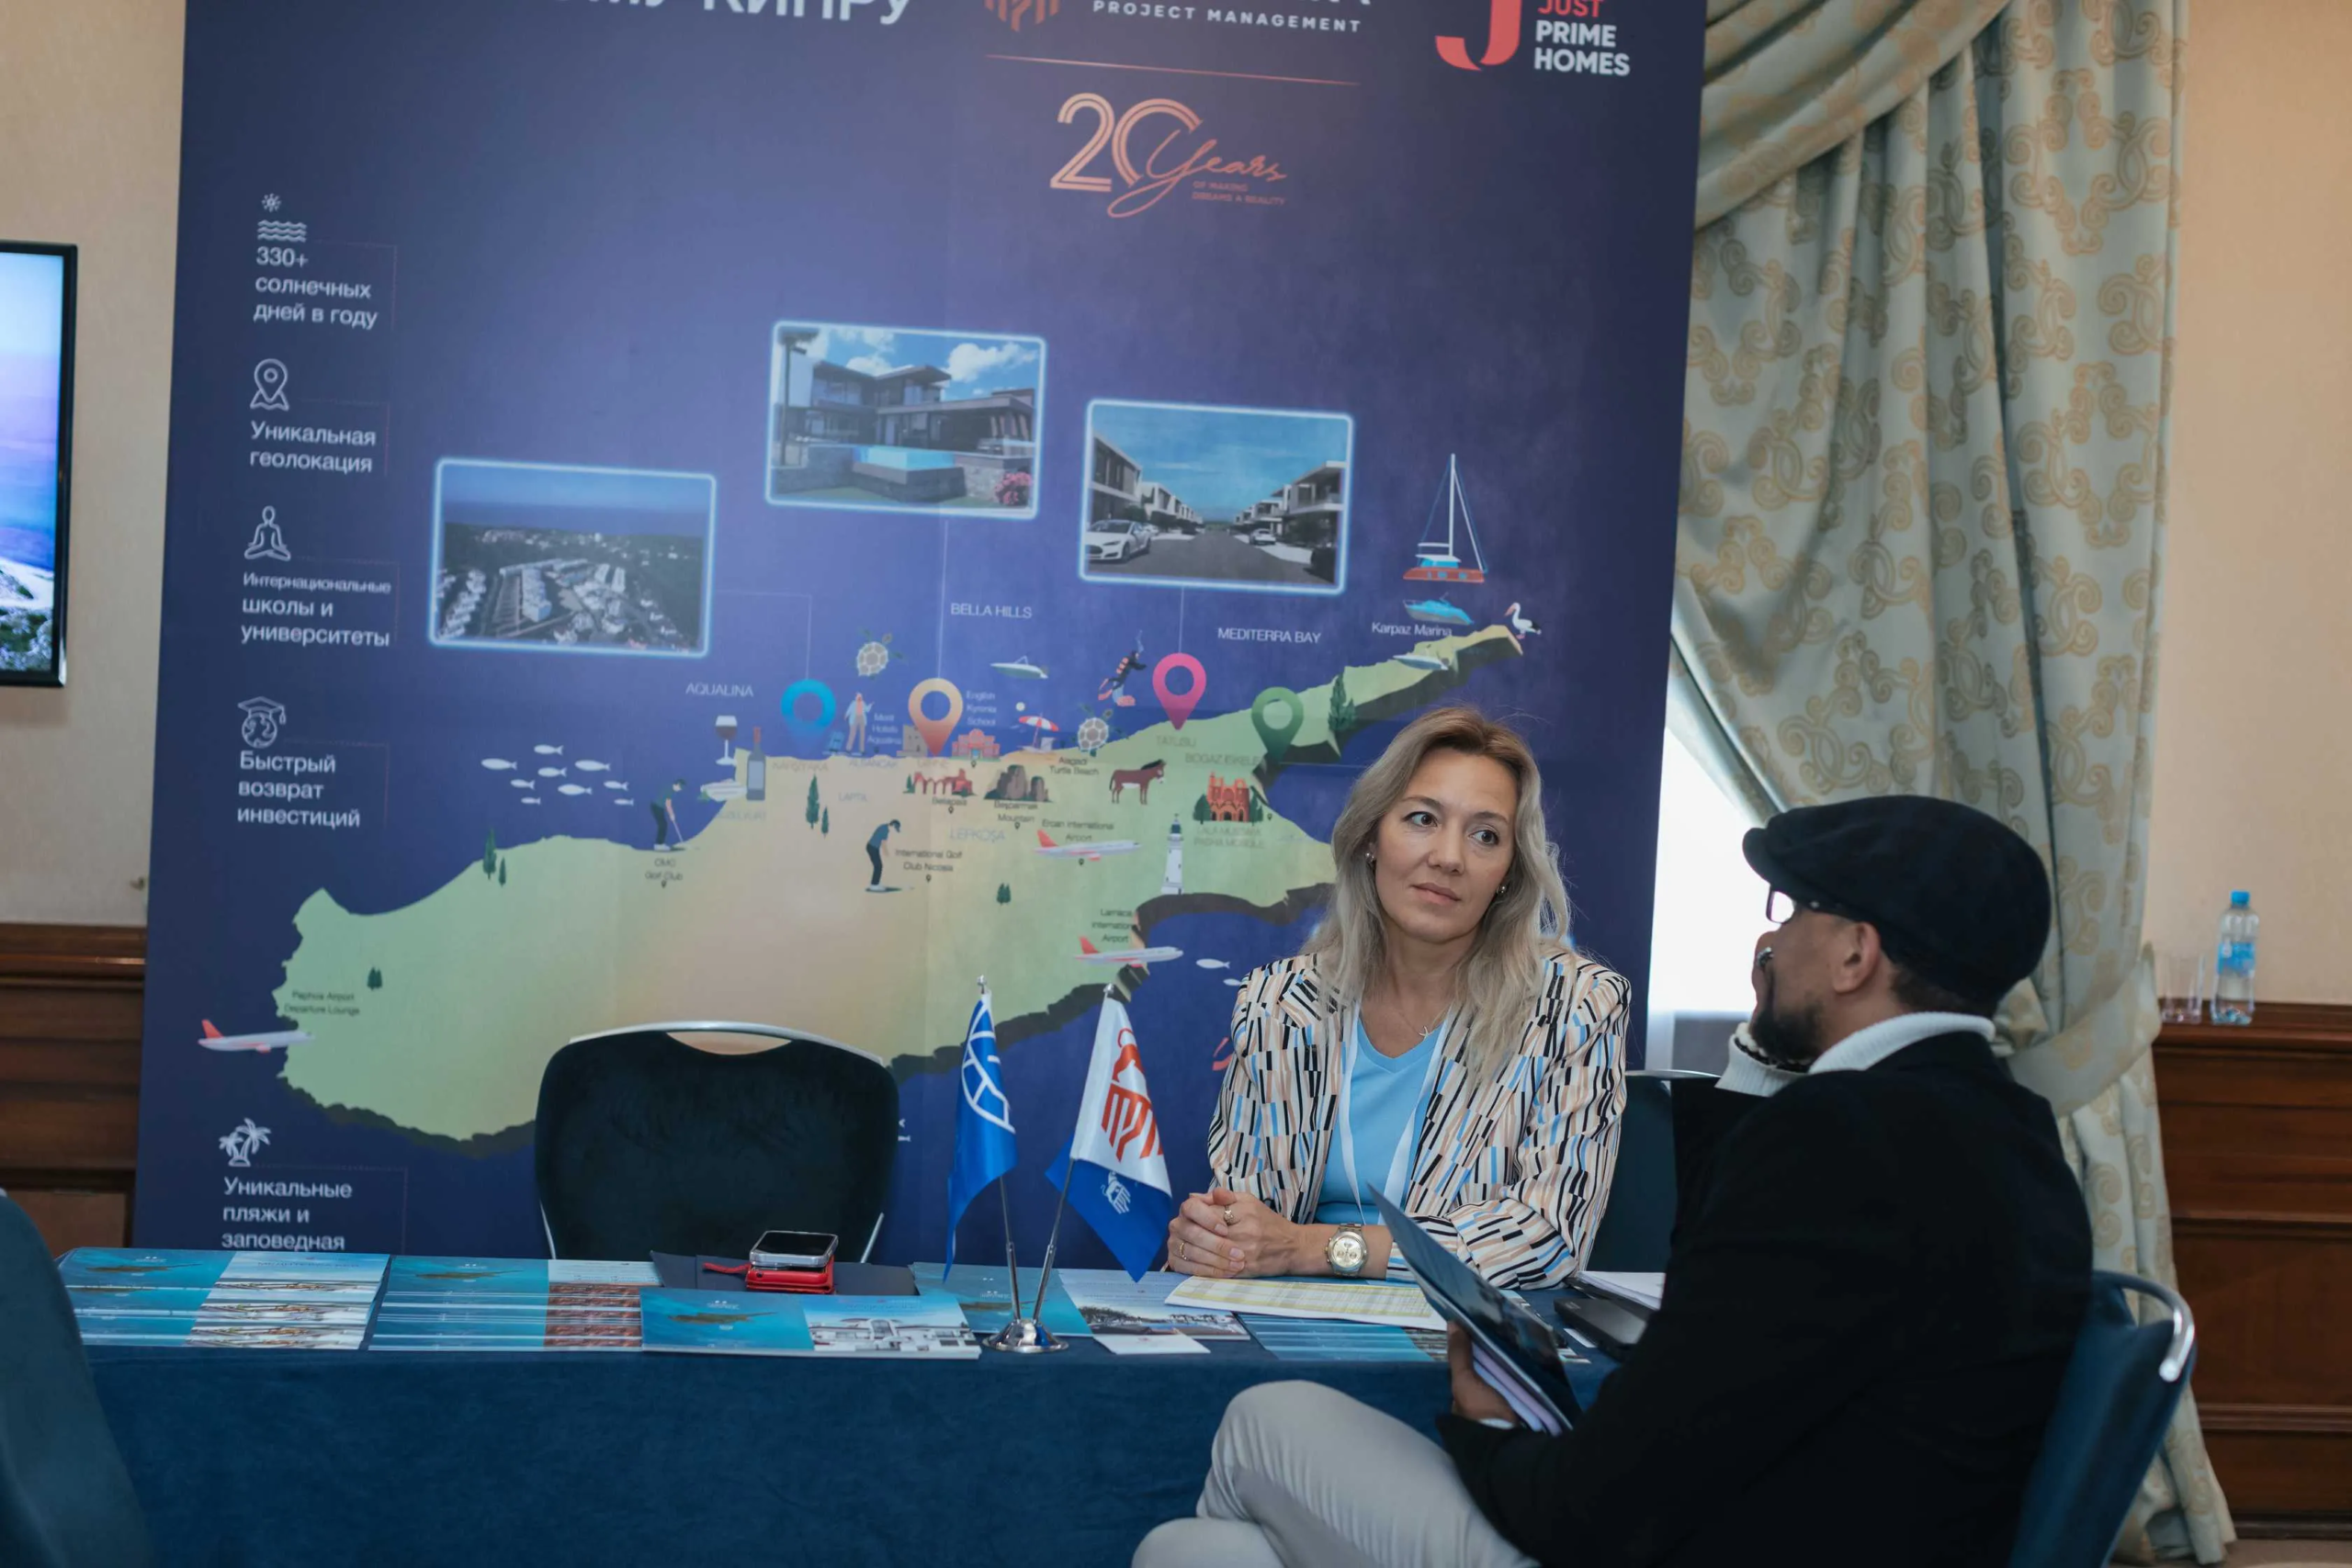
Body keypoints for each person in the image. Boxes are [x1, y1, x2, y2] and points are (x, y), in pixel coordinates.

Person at [1136, 795, 2091, 1568]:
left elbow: (1599, 1506)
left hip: (1675, 1546)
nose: (1775, 940)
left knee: (1264, 1418)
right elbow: (1729, 1343)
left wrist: (1491, 1428)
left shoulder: (1832, 1140)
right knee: (1193, 1553)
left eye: (1795, 911)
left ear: (1854, 955)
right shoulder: (2021, 1139)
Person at [1167, 707, 1628, 1292]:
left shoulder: (1576, 1006)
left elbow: (1547, 1238)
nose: (1449, 857)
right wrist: (1214, 1239)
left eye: (1486, 835)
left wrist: (1316, 1247)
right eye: (1422, 819)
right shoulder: (1278, 1002)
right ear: (1370, 838)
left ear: (1509, 872)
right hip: (1286, 1319)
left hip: (1459, 1331)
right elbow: (1245, 1218)